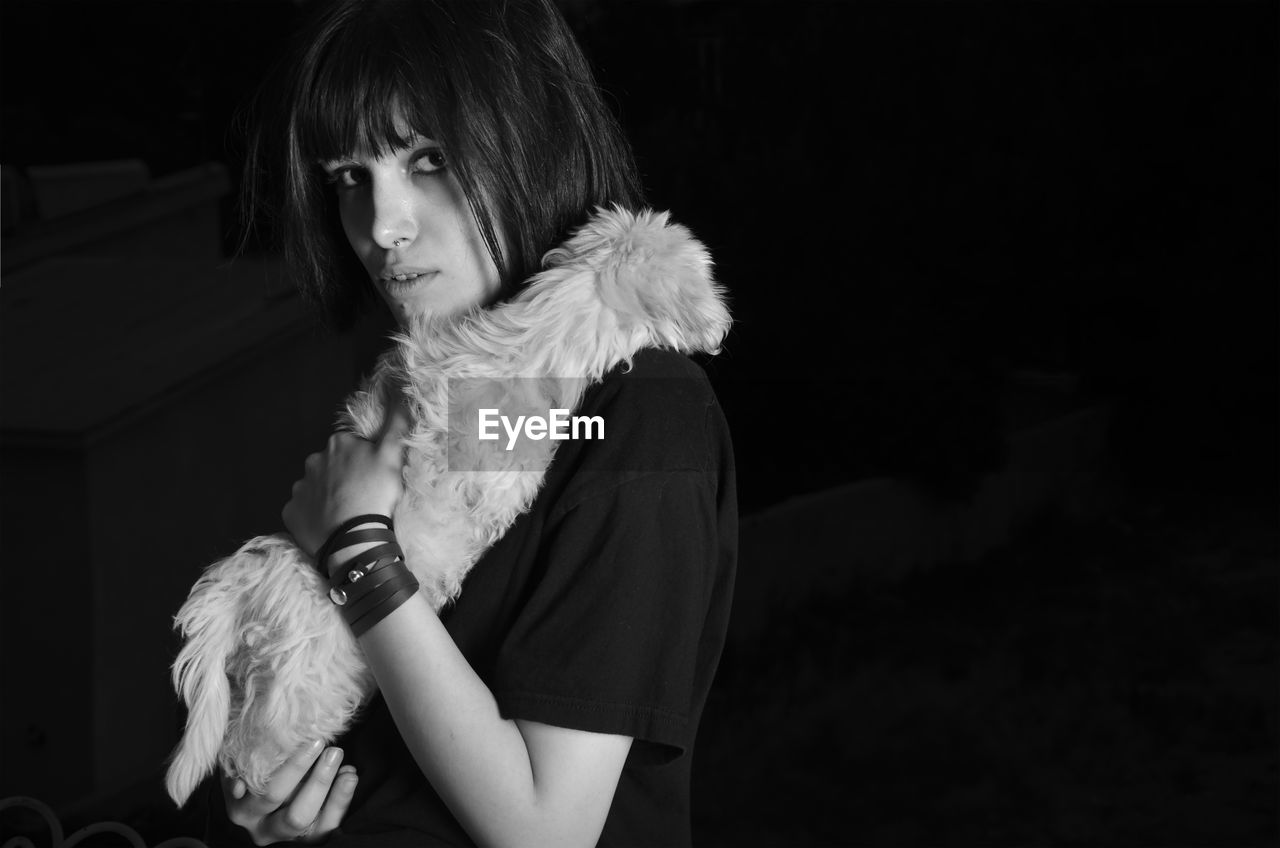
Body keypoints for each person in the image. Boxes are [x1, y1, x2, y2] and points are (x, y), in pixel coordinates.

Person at [203, 0, 736, 845]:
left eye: (429, 157)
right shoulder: (467, 399)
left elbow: (544, 830)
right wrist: (280, 796)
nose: (381, 228)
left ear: (534, 131)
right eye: (349, 177)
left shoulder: (641, 416)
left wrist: (355, 548)